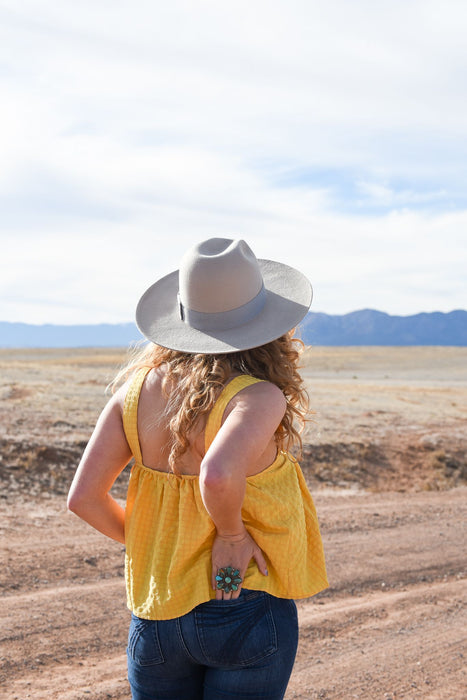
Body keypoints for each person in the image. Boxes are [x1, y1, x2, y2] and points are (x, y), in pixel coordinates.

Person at [68, 238, 328, 700]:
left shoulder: (134, 394)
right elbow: (217, 475)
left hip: (157, 614)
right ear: (270, 329)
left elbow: (83, 498)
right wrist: (229, 536)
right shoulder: (257, 396)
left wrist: (161, 543)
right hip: (242, 604)